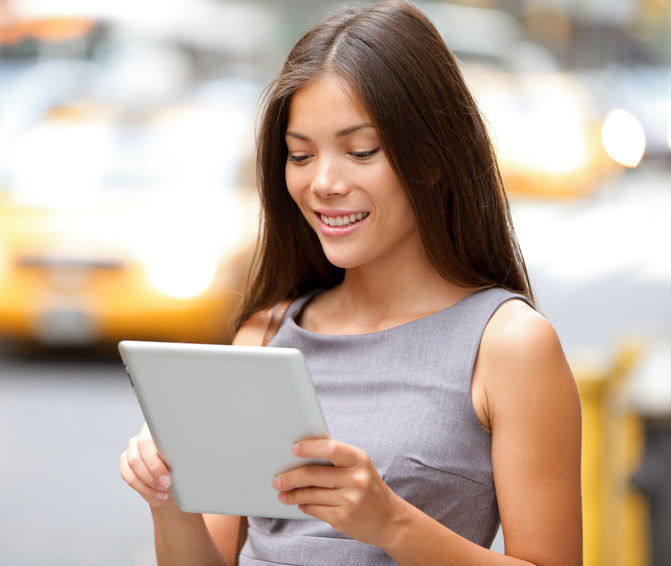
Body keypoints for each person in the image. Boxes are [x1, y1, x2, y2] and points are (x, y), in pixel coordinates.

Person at [119, 1, 582, 564]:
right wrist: (170, 500)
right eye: (300, 155)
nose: (324, 183)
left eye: (360, 151)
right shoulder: (264, 336)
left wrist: (391, 524)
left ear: (433, 157)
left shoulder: (508, 345)